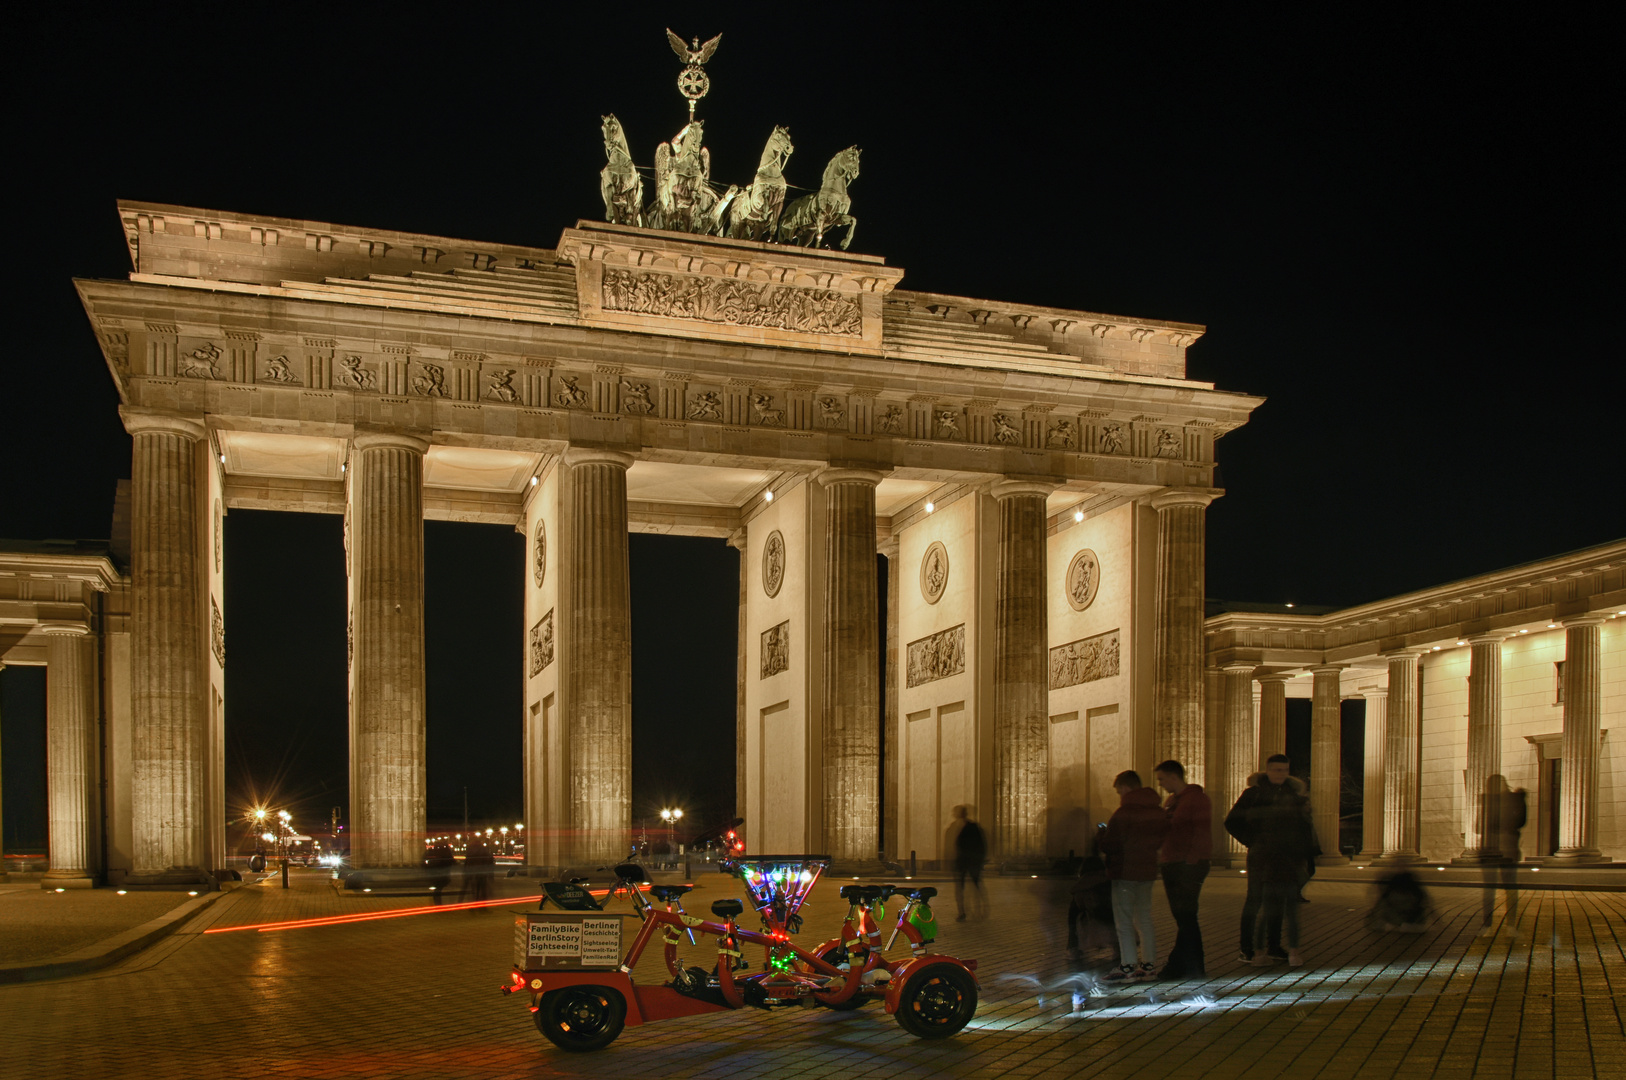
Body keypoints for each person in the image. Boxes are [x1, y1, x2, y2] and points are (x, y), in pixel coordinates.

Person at [1225, 754, 1317, 967]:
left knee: (1278, 902)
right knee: (1255, 900)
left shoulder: (1293, 796)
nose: (1280, 774)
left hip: (1285, 856)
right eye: (1276, 770)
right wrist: (1252, 842)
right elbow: (1232, 821)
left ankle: (1273, 946)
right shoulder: (1253, 795)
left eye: (1283, 770)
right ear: (1267, 770)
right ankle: (1246, 948)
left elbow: (1303, 827)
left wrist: (1302, 853)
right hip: (1261, 855)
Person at [1097, 770, 1170, 982]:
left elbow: (1111, 845)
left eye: (1119, 790)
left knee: (1124, 921)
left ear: (1126, 787)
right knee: (1145, 918)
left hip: (1125, 872)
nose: (1119, 795)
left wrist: (1101, 833)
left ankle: (1128, 966)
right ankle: (1148, 966)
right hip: (1147, 871)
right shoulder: (1157, 811)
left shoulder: (1123, 813)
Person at [1154, 759, 1212, 980]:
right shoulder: (1172, 801)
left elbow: (1201, 831)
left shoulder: (1197, 799)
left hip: (1188, 865)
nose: (1160, 784)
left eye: (1161, 779)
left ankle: (1189, 966)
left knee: (1186, 917)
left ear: (1173, 776)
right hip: (1172, 862)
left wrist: (1193, 860)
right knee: (1184, 917)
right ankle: (1183, 965)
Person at [1479, 774, 1527, 937]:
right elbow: (1480, 825)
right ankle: (1494, 926)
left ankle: (1506, 926)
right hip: (1495, 849)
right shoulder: (1493, 801)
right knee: (1499, 889)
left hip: (1502, 848)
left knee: (1506, 888)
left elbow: (1520, 820)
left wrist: (1521, 799)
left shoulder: (1509, 800)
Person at [950, 805, 987, 921]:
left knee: (974, 887)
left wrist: (979, 860)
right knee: (963, 888)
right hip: (962, 862)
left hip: (971, 862)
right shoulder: (955, 826)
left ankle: (979, 911)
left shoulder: (972, 827)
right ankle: (963, 912)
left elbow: (980, 845)